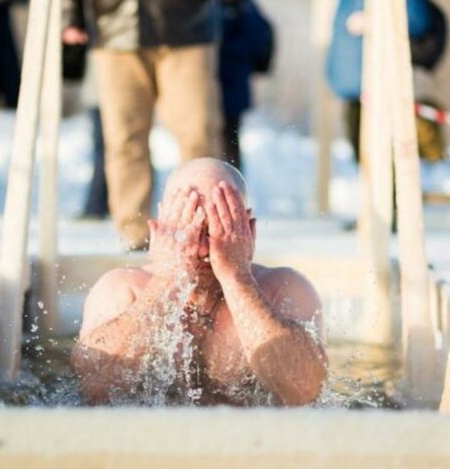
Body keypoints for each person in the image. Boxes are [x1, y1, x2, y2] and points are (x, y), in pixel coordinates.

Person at [71, 158, 328, 406]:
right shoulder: (123, 289)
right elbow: (94, 388)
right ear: (159, 228)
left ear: (248, 229)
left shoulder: (281, 289)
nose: (203, 249)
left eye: (216, 230)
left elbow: (303, 391)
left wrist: (237, 278)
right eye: (187, 230)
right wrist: (165, 282)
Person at [62, 0, 221, 250]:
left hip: (187, 25)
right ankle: (134, 233)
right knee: (124, 137)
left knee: (197, 133)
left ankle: (204, 229)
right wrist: (70, 17)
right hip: (115, 26)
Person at [326, 0, 446, 163]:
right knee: (379, 155)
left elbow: (418, 22)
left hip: (370, 88)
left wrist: (374, 22)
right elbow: (419, 22)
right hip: (372, 87)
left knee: (377, 154)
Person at [216, 0, 273, 170]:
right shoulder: (235, 3)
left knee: (227, 144)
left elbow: (259, 38)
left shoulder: (240, 4)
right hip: (225, 84)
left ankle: (231, 182)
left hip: (230, 84)